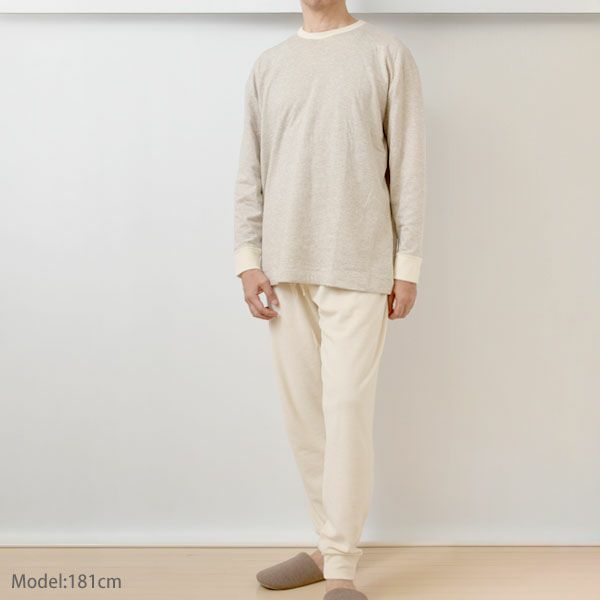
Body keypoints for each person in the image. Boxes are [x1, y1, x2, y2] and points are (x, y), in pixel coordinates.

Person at [233, 1, 426, 598]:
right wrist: (247, 258)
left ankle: (340, 566)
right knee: (305, 420)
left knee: (346, 413)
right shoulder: (270, 64)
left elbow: (409, 166)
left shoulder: (385, 54)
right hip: (283, 266)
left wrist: (407, 266)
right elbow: (250, 170)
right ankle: (327, 543)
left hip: (359, 264)